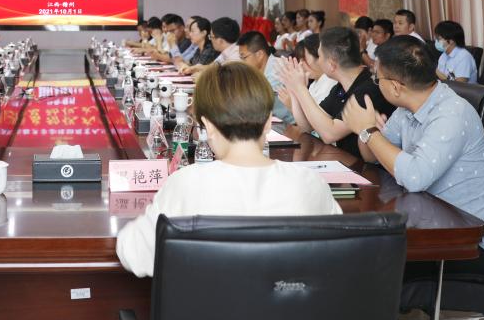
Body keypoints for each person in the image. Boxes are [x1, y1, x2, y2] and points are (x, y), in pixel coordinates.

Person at [115, 61, 341, 278]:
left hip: (207, 307)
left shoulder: (185, 184)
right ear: (268, 123)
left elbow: (133, 253)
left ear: (209, 127)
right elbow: (338, 255)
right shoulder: (310, 183)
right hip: (290, 305)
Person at [342, 36, 484, 262]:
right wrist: (367, 131)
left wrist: (369, 131)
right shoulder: (406, 109)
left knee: (368, 264)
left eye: (377, 78)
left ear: (395, 87)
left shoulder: (451, 113)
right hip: (433, 228)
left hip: (477, 245)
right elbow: (372, 156)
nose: (376, 83)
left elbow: (414, 177)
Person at [278, 27, 395, 156]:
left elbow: (329, 134)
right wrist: (295, 88)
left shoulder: (368, 90)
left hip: (365, 166)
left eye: (320, 56)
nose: (319, 61)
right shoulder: (341, 87)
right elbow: (307, 126)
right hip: (344, 160)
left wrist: (300, 88)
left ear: (332, 64)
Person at [236, 31, 293, 125]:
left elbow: (255, 102)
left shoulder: (277, 69)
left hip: (288, 125)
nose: (242, 62)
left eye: (244, 57)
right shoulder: (257, 70)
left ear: (259, 54)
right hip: (269, 120)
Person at [294, 34, 338, 104]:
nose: (300, 64)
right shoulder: (314, 83)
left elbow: (315, 110)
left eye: (304, 59)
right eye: (300, 60)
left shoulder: (331, 82)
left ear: (320, 56)